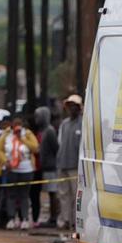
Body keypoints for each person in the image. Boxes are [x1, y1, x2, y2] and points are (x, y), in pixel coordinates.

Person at [0, 114, 39, 229]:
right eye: (15, 124)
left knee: (24, 195)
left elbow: (35, 147)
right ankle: (11, 218)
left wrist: (22, 138)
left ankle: (25, 218)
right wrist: (5, 161)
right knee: (11, 195)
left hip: (26, 169)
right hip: (10, 169)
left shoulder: (28, 134)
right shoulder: (6, 135)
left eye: (19, 124)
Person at [57, 94, 83, 230]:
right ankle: (66, 220)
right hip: (63, 164)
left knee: (75, 195)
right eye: (70, 106)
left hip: (75, 166)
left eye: (74, 106)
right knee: (63, 194)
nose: (72, 109)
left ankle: (74, 221)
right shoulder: (64, 124)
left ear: (79, 108)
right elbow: (60, 143)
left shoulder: (83, 123)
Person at [33, 106, 60, 228]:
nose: (36, 119)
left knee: (52, 192)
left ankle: (54, 218)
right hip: (44, 167)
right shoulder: (42, 131)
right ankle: (51, 217)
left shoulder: (49, 131)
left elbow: (56, 148)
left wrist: (52, 162)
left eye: (38, 116)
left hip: (51, 167)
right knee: (49, 192)